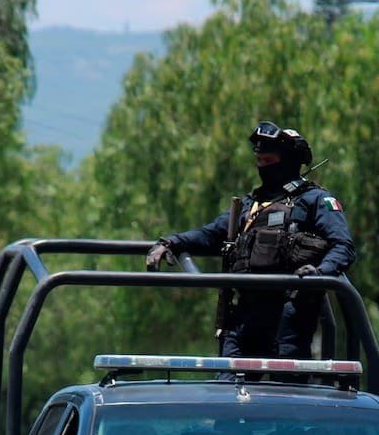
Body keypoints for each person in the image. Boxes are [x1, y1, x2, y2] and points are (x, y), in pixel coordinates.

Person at [146, 120, 356, 360]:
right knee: (228, 378)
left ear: (290, 160)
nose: (263, 167)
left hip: (289, 312)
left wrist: (319, 273)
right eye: (260, 161)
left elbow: (343, 246)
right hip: (244, 312)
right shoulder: (250, 204)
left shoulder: (315, 200)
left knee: (285, 381)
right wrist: (171, 242)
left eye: (269, 161)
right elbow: (211, 233)